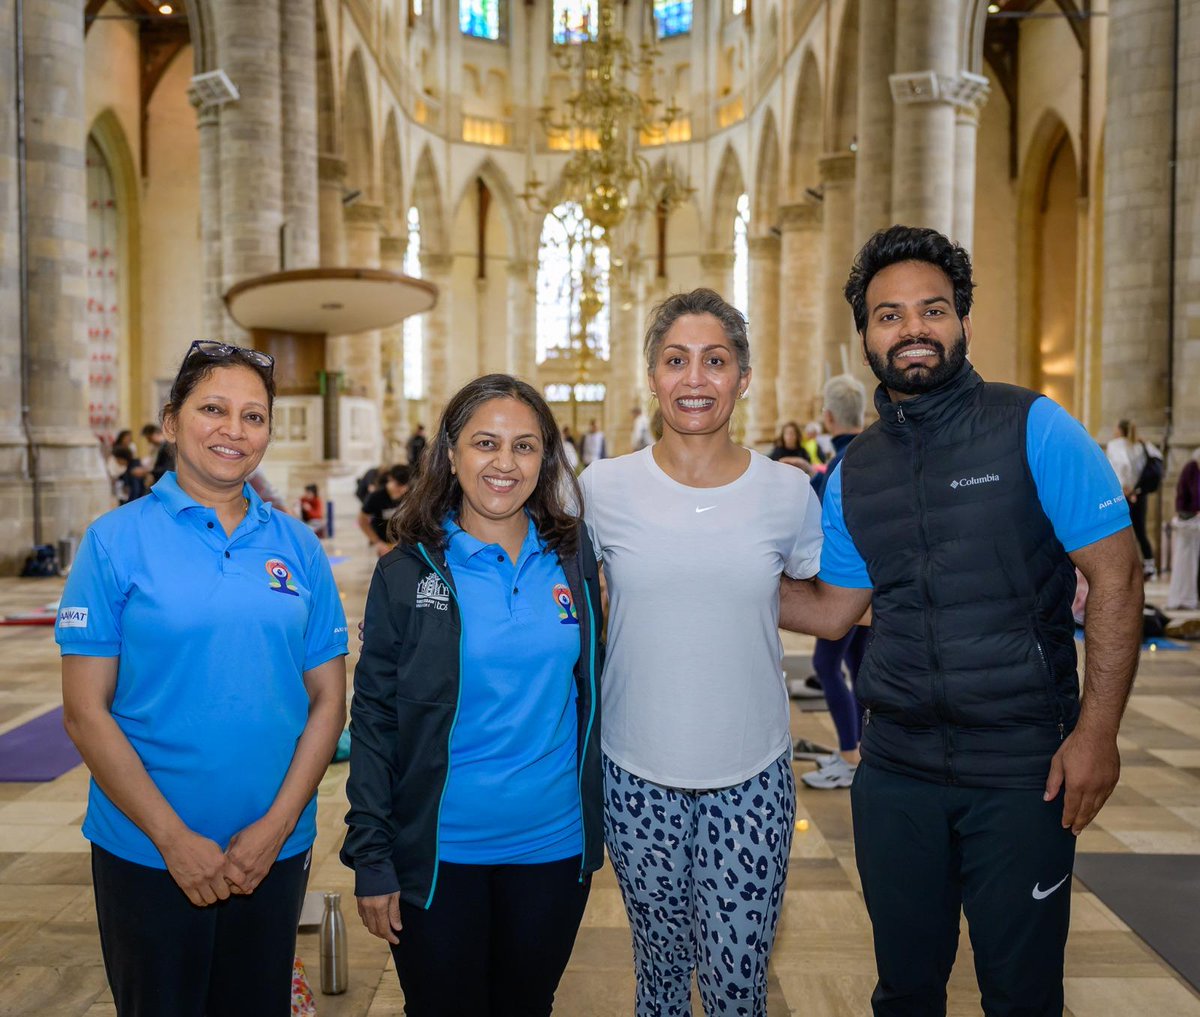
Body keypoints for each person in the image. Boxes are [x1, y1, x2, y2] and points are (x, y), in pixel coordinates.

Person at [779, 225, 1143, 1017]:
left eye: (931, 309)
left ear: (963, 323)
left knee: (1021, 994)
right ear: (866, 336)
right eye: (888, 315)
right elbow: (835, 611)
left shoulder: (1033, 426)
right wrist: (707, 573)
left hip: (1021, 769)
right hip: (897, 770)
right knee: (905, 990)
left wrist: (1097, 732)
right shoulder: (855, 469)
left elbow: (1117, 575)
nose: (911, 328)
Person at [56, 339, 349, 1017]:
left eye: (254, 416)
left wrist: (277, 826)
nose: (234, 429)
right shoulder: (114, 541)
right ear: (170, 420)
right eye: (213, 408)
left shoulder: (297, 547)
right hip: (147, 852)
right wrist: (173, 839)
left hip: (270, 854)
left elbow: (329, 702)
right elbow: (84, 711)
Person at [579, 289, 823, 1016]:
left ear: (741, 378)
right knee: (657, 976)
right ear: (652, 375)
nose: (695, 378)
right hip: (636, 768)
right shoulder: (602, 488)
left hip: (751, 773)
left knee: (737, 984)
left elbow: (813, 600)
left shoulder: (787, 491)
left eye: (715, 361)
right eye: (676, 360)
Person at [342, 374, 604, 1017]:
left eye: (525, 446)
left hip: (552, 848)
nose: (504, 463)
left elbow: (591, 687)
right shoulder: (408, 569)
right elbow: (375, 718)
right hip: (438, 855)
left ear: (546, 460)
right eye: (486, 443)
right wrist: (371, 856)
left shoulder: (572, 557)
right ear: (452, 454)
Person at [800, 374, 871, 790]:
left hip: (846, 584)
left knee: (826, 664)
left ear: (827, 417)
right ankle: (865, 749)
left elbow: (824, 516)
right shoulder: (873, 451)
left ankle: (849, 754)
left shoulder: (843, 461)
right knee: (858, 664)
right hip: (875, 582)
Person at [1106, 420, 1161, 577]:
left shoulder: (1116, 444)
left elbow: (1121, 465)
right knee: (1140, 530)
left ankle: (1124, 565)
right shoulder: (1141, 444)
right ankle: (1149, 564)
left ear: (1119, 430)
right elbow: (1158, 458)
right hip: (1139, 494)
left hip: (1123, 494)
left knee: (1121, 531)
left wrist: (1124, 487)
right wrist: (1135, 490)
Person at [1167, 448, 1200, 611]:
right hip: (1190, 522)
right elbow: (1184, 496)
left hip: (1195, 522)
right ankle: (1185, 597)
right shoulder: (1191, 469)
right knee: (1187, 561)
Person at [358, 464, 411, 556]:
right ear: (390, 479)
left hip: (404, 543)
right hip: (385, 545)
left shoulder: (409, 495)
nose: (402, 490)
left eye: (404, 486)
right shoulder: (375, 497)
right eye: (398, 485)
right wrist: (377, 542)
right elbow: (362, 520)